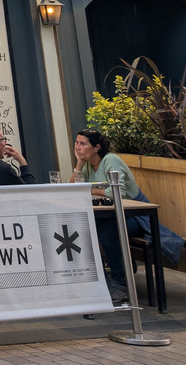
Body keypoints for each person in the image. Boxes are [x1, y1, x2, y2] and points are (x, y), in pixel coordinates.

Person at [70, 128, 140, 304]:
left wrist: (90, 189)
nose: (78, 147)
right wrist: (79, 164)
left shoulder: (110, 160)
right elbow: (73, 188)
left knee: (106, 231)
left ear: (97, 147)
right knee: (87, 229)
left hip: (135, 216)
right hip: (109, 215)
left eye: (83, 144)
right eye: (76, 143)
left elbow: (118, 191)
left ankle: (120, 283)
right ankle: (102, 280)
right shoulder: (87, 165)